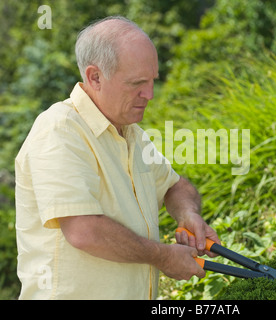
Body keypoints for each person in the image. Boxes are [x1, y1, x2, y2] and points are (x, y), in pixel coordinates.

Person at [15, 16, 220, 300]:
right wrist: (163, 256)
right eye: (136, 83)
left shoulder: (132, 135)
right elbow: (84, 231)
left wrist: (188, 214)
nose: (148, 95)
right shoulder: (59, 130)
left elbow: (176, 186)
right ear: (95, 77)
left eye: (151, 81)